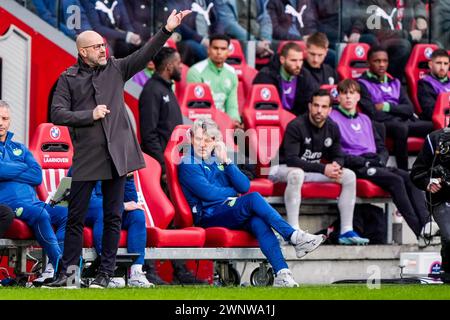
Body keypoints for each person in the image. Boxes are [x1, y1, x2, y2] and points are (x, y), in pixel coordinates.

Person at [47, 9, 190, 288]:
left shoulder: (116, 67)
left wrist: (167, 29)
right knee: (75, 217)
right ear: (83, 51)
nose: (103, 49)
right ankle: (67, 273)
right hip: (87, 156)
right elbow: (57, 114)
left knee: (114, 216)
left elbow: (145, 53)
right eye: (97, 46)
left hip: (117, 155)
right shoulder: (67, 78)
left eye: (103, 44)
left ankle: (106, 274)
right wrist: (90, 114)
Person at [178, 118, 326, 287]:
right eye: (198, 139)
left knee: (259, 222)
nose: (202, 144)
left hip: (228, 211)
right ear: (191, 139)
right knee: (254, 198)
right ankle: (293, 236)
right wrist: (233, 192)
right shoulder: (187, 163)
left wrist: (227, 161)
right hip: (208, 216)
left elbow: (244, 185)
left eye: (207, 140)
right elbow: (210, 194)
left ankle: (282, 274)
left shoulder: (218, 159)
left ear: (215, 141)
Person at [330, 79, 431, 239]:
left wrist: (381, 160)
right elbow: (337, 153)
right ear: (338, 97)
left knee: (410, 177)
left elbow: (382, 147)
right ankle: (419, 232)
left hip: (376, 163)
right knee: (396, 181)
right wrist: (365, 162)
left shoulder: (366, 119)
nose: (348, 97)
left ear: (358, 97)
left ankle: (427, 224)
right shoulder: (332, 119)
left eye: (352, 93)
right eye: (344, 93)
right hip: (358, 166)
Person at [269, 89, 370, 245]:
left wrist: (337, 165)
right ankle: (293, 231)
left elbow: (338, 154)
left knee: (348, 175)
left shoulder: (333, 127)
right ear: (310, 106)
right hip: (280, 169)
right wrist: (324, 169)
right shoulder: (296, 125)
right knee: (297, 173)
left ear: (330, 110)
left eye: (324, 107)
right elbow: (292, 160)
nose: (319, 110)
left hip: (308, 171)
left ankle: (346, 231)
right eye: (316, 105)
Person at [0, 100, 68, 286]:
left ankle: (51, 270)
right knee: (40, 214)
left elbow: (37, 175)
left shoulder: (20, 148)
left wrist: (9, 169)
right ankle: (62, 269)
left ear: (9, 121)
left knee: (66, 214)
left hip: (32, 202)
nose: (1, 123)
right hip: (9, 205)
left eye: (5, 118)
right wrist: (22, 167)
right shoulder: (22, 154)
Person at [358, 45, 433, 170]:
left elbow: (409, 109)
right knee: (401, 128)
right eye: (377, 61)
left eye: (385, 61)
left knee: (434, 127)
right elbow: (373, 113)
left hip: (401, 121)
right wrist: (400, 111)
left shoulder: (395, 82)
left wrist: (386, 107)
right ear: (368, 62)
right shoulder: (362, 84)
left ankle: (431, 169)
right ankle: (403, 171)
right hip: (383, 124)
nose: (382, 64)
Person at [83, 174, 153, 287]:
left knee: (137, 215)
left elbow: (132, 201)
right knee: (103, 212)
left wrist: (129, 179)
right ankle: (107, 270)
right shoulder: (89, 161)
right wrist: (121, 205)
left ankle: (136, 272)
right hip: (92, 211)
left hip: (115, 210)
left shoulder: (119, 164)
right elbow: (88, 200)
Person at [349, 0, 428, 80]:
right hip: (383, 43)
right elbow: (376, 32)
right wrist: (408, 35)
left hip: (405, 40)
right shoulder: (373, 2)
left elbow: (418, 3)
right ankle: (392, 81)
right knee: (403, 46)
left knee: (428, 46)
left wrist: (421, 17)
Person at [410, 127, 450, 283]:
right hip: (442, 198)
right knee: (449, 236)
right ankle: (447, 274)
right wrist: (428, 183)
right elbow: (416, 173)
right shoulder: (435, 139)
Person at [139, 47, 183, 179]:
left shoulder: (167, 88)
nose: (181, 67)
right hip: (162, 168)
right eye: (178, 63)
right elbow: (148, 134)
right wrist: (163, 167)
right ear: (169, 67)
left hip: (173, 161)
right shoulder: (152, 91)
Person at [186, 34, 242, 128]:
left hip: (223, 123)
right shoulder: (196, 71)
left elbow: (232, 105)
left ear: (228, 52)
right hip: (202, 124)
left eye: (223, 49)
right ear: (208, 49)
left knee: (245, 137)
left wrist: (234, 122)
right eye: (215, 48)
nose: (219, 52)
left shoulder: (231, 73)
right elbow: (197, 109)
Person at [253, 42, 318, 115]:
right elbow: (261, 108)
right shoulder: (265, 76)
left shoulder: (305, 75)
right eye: (293, 60)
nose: (298, 65)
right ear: (282, 60)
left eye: (300, 60)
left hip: (297, 122)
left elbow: (312, 102)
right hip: (274, 119)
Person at [417, 49, 450, 121]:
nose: (442, 67)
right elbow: (431, 112)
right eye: (438, 63)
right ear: (430, 65)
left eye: (445, 63)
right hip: (438, 124)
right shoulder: (425, 84)